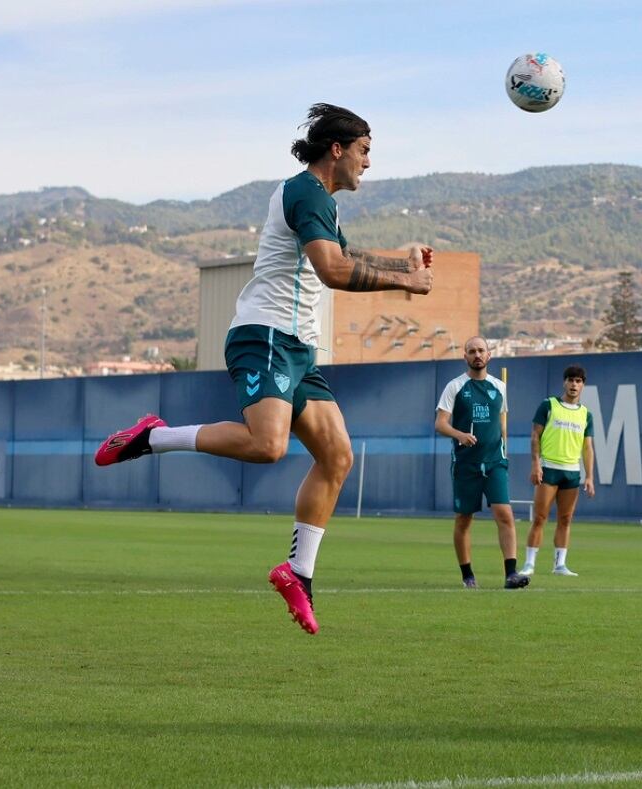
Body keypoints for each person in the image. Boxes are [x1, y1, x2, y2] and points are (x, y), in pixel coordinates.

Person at [93, 103, 434, 635]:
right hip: (265, 335)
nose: (369, 163)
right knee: (268, 446)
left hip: (299, 347)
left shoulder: (321, 202)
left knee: (338, 456)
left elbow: (344, 251)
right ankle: (152, 438)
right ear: (337, 149)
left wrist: (402, 263)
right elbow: (334, 268)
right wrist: (405, 283)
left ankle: (298, 572)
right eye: (365, 151)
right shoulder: (303, 192)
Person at [435, 336, 529, 590]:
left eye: (481, 350)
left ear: (489, 355)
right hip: (466, 464)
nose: (477, 355)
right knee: (464, 519)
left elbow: (502, 423)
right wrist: (460, 435)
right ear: (465, 356)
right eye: (472, 351)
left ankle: (511, 574)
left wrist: (504, 451)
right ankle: (467, 575)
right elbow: (440, 423)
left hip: (495, 462)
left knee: (504, 514)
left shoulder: (499, 386)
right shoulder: (455, 386)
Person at [522, 365, 596, 577]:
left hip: (571, 472)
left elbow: (587, 447)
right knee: (540, 517)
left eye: (578, 381)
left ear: (583, 385)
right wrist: (536, 464)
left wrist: (589, 476)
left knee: (565, 519)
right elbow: (535, 436)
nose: (574, 385)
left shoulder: (585, 414)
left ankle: (560, 564)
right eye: (571, 380)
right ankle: (529, 563)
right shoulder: (549, 405)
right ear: (564, 382)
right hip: (549, 469)